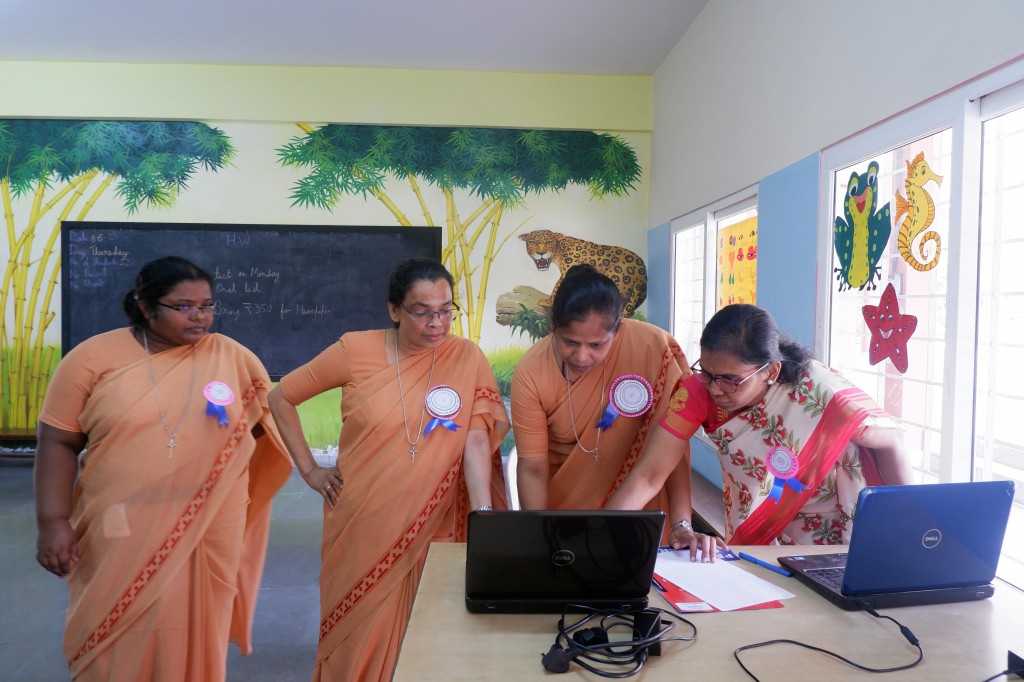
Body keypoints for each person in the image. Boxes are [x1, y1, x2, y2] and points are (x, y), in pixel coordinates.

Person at [34, 256, 292, 681]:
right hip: (120, 522)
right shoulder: (92, 358)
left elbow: (264, 429)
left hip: (208, 525)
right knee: (109, 626)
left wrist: (219, 466)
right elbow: (58, 441)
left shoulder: (231, 357)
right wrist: (52, 521)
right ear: (146, 306)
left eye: (206, 305)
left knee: (192, 626)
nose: (199, 316)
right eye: (183, 306)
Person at [268, 256, 508, 682]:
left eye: (446, 310)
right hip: (362, 521)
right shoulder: (354, 350)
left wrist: (484, 515)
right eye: (422, 311)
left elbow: (475, 439)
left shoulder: (466, 357)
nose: (436, 323)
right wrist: (309, 470)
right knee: (357, 633)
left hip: (436, 521)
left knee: (430, 634)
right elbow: (281, 397)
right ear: (394, 310)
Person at [607, 303, 913, 558]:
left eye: (730, 380)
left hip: (838, 516)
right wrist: (597, 536)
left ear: (771, 371)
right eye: (707, 372)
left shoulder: (817, 393)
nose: (715, 388)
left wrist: (909, 522)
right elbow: (649, 475)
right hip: (763, 521)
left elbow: (889, 444)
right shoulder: (697, 391)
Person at [510, 264, 691, 531]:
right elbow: (533, 467)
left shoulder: (652, 348)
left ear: (618, 330)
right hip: (568, 516)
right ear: (553, 326)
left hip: (641, 509)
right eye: (570, 342)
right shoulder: (531, 372)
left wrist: (682, 524)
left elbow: (674, 451)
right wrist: (538, 532)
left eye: (596, 345)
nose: (582, 357)